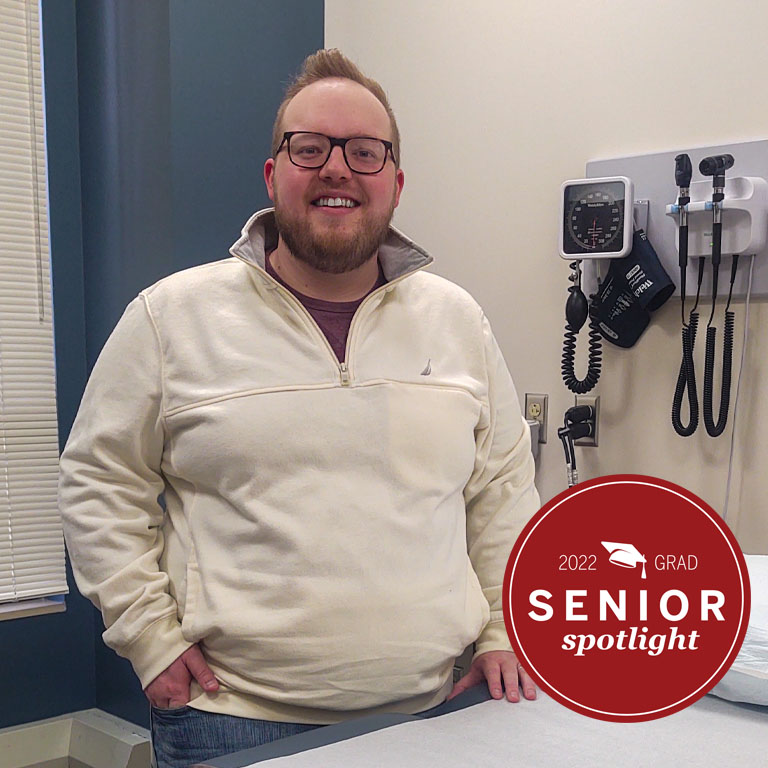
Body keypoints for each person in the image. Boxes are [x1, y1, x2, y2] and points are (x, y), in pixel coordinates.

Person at [58, 49, 540, 768]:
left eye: (365, 152)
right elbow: (100, 485)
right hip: (230, 720)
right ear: (272, 175)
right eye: (308, 148)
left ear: (396, 184)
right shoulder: (170, 318)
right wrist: (149, 637)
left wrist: (508, 629)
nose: (336, 168)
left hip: (437, 708)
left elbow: (501, 491)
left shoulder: (457, 320)